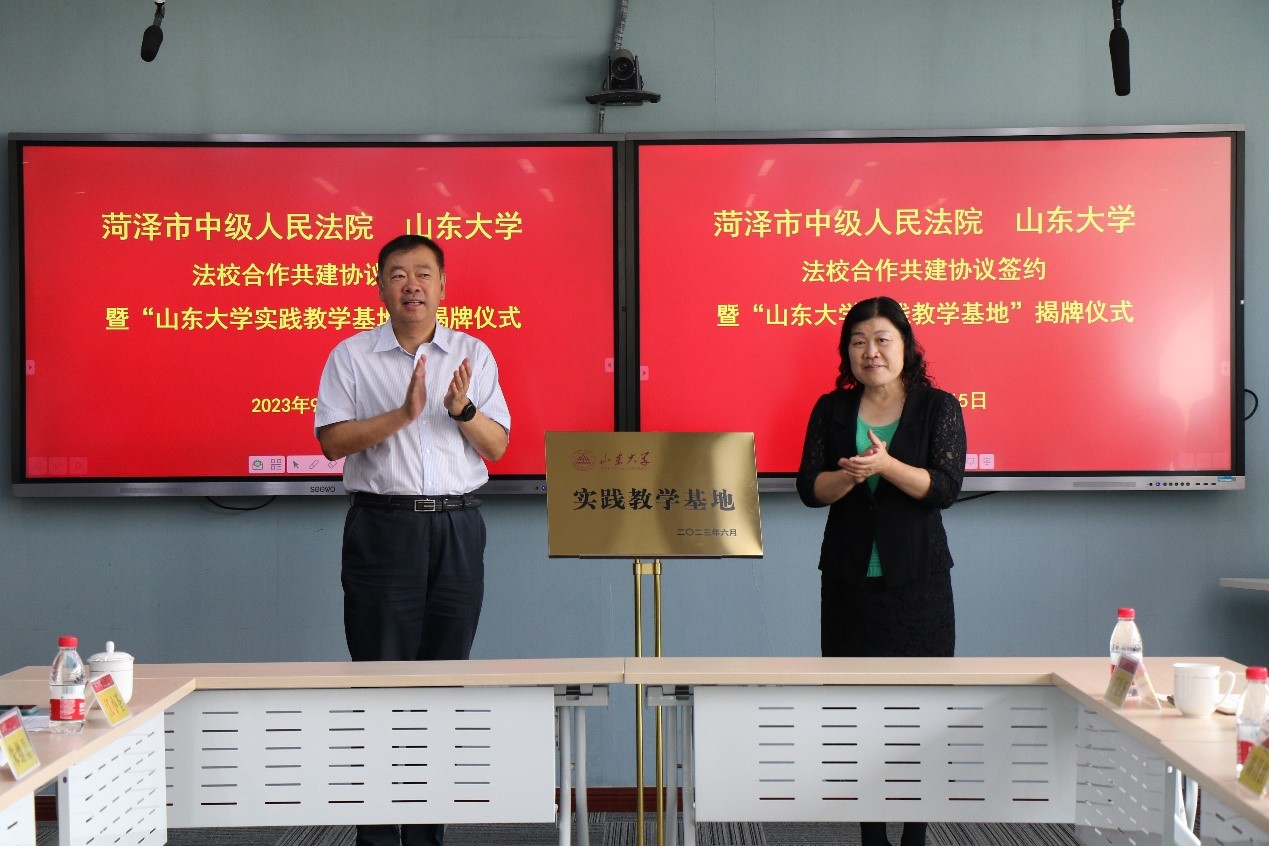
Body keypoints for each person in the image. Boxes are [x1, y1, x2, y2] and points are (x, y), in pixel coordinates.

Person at [315, 233, 510, 846]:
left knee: (443, 685)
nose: (412, 286)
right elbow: (332, 442)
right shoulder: (351, 356)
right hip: (383, 529)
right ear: (380, 286)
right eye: (398, 274)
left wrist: (462, 410)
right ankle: (377, 839)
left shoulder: (473, 352)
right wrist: (402, 415)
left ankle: (427, 838)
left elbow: (498, 446)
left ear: (443, 286)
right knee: (378, 684)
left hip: (457, 528)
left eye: (424, 274)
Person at [795, 296, 965, 846]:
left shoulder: (938, 407)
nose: (871, 351)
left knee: (922, 715)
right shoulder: (832, 408)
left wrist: (886, 465)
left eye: (882, 339)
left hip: (917, 584)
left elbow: (944, 488)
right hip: (849, 585)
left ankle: (915, 833)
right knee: (856, 715)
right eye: (859, 341)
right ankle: (871, 834)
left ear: (905, 346)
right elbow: (809, 489)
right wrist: (849, 475)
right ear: (847, 352)